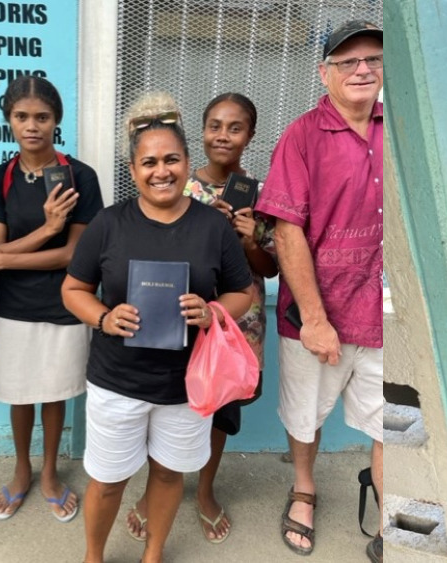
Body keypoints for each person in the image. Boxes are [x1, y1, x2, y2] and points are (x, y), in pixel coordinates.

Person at [61, 92, 252, 563]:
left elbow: (242, 291)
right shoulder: (109, 224)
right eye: (149, 162)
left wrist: (213, 313)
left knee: (168, 476)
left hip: (188, 385)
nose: (161, 171)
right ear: (133, 171)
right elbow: (72, 290)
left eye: (171, 159)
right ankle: (93, 556)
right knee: (107, 482)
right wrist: (105, 317)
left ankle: (152, 554)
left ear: (188, 163)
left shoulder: (213, 226)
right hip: (117, 381)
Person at [254, 20, 384, 560]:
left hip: (385, 312)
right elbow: (286, 230)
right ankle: (304, 488)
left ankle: (389, 517)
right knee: (305, 416)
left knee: (390, 424)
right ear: (323, 73)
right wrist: (313, 317)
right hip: (319, 311)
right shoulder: (303, 135)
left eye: (372, 60)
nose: (362, 70)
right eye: (347, 61)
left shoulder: (397, 127)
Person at [125, 92, 277, 545]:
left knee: (220, 413)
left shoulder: (262, 194)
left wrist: (248, 240)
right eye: (214, 125)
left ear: (250, 135)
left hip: (235, 326)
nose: (223, 136)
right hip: (175, 323)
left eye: (234, 128)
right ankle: (155, 493)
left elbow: (269, 268)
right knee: (168, 410)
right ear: (202, 131)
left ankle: (204, 492)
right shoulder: (176, 185)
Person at [0, 75, 104, 523]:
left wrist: (8, 255)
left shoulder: (79, 177)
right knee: (20, 395)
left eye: (42, 117)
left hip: (65, 305)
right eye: (22, 116)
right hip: (14, 308)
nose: (32, 126)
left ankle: (49, 473)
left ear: (57, 121)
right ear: (9, 120)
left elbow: (72, 254)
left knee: (54, 395)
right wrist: (46, 231)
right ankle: (21, 471)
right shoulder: (0, 178)